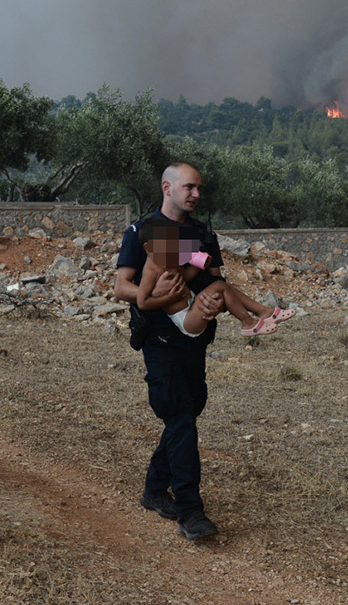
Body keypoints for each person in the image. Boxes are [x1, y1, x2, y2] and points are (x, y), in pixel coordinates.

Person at [112, 162, 232, 540]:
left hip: (195, 339)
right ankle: (190, 511)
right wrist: (155, 297)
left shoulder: (202, 235)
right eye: (189, 187)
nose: (196, 194)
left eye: (199, 188)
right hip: (159, 342)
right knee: (181, 419)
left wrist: (216, 304)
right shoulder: (143, 232)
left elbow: (218, 283)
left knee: (188, 413)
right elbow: (121, 286)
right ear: (167, 187)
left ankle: (153, 489)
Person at [135, 216, 282, 337]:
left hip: (193, 305)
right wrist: (169, 299)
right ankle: (248, 323)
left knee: (225, 288)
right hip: (186, 319)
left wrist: (198, 265)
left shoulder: (169, 260)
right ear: (148, 248)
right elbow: (142, 302)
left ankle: (264, 312)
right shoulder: (151, 270)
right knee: (220, 286)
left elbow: (185, 277)